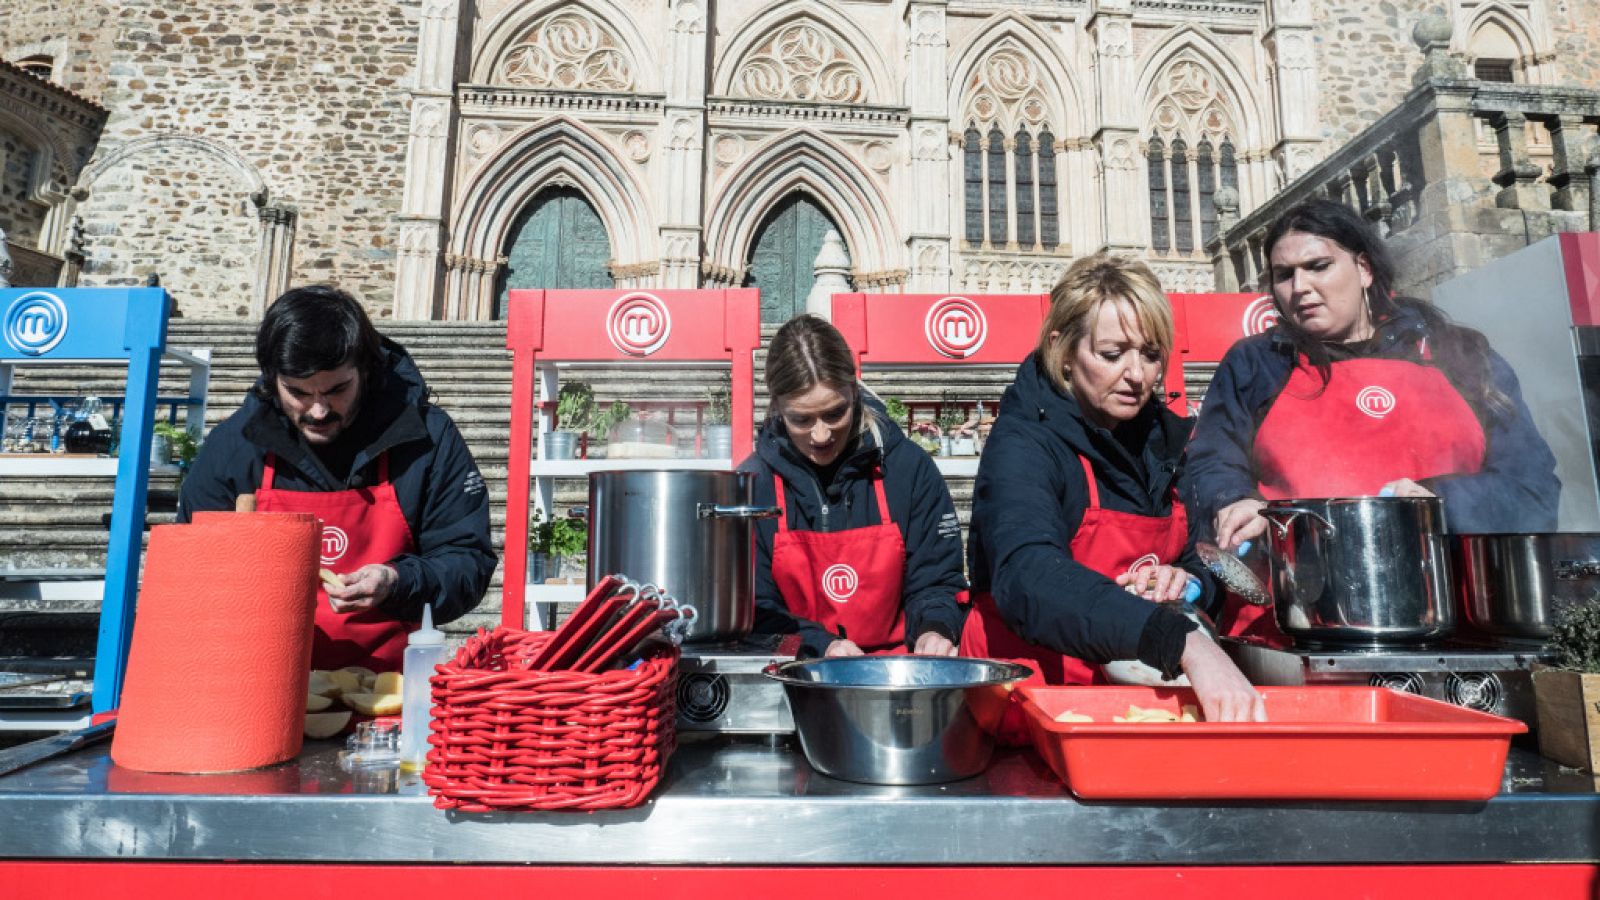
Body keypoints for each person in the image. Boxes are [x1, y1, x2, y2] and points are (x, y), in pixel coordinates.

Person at [963, 254, 1264, 722]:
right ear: (1063, 351)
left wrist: (1186, 584)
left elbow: (1199, 557)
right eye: (1111, 354)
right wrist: (1176, 640)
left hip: (1137, 702)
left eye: (1149, 354)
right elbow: (1028, 575)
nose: (1137, 375)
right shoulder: (1023, 444)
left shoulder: (1166, 442)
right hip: (1032, 703)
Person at [1188, 198, 1559, 562]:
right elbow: (1212, 463)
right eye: (1284, 275)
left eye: (1318, 266)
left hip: (1454, 595)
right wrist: (1233, 500)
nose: (1299, 286)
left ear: (1364, 268)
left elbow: (1531, 486)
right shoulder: (1255, 364)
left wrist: (1439, 502)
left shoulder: (1457, 354)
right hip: (1304, 599)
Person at [178, 285, 497, 671]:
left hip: (388, 686)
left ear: (365, 368)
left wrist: (397, 581)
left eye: (337, 389)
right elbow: (192, 571)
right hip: (258, 678)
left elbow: (466, 561)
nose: (318, 410)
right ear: (272, 378)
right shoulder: (236, 445)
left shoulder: (426, 438)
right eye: (297, 392)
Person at [741, 315, 965, 658]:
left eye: (835, 413)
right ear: (777, 408)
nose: (821, 435)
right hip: (792, 672)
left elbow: (937, 580)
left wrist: (935, 628)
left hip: (896, 673)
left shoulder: (908, 469)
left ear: (854, 389)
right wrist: (820, 644)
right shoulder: (754, 486)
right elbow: (754, 606)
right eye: (801, 420)